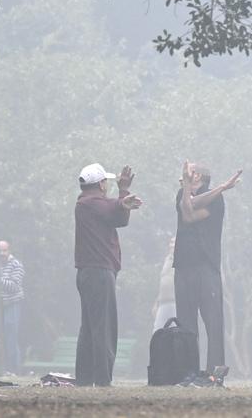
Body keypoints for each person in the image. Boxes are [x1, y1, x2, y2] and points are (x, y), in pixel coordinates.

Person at [75, 162, 142, 386]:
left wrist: (123, 195)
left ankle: (85, 379)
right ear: (101, 184)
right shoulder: (90, 203)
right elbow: (113, 208)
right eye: (106, 182)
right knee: (104, 327)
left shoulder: (88, 203)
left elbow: (119, 218)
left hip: (92, 272)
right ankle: (102, 381)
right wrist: (123, 197)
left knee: (90, 327)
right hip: (98, 272)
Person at [174, 161, 242, 376]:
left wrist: (220, 188)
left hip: (206, 265)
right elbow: (186, 212)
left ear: (198, 177)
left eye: (190, 172)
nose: (185, 173)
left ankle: (214, 372)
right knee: (186, 322)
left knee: (213, 322)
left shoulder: (216, 199)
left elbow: (193, 211)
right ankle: (187, 371)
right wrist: (186, 187)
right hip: (183, 265)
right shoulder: (181, 193)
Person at [0, 240, 25, 374]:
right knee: (1, 338)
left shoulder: (16, 265)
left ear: (9, 251)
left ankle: (14, 369)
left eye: (4, 250)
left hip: (13, 304)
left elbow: (14, 286)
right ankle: (3, 369)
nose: (2, 253)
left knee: (11, 336)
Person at [152, 236, 177, 332]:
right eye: (171, 243)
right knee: (157, 330)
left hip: (175, 302)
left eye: (174, 243)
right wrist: (156, 302)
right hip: (163, 303)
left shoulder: (182, 259)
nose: (172, 245)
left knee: (175, 331)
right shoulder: (167, 259)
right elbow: (163, 282)